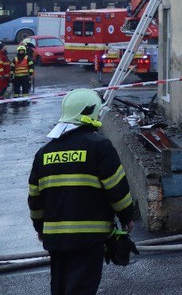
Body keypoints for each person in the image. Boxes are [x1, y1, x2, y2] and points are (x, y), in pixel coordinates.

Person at [28, 88, 138, 295]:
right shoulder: (100, 147)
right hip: (88, 238)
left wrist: (40, 228)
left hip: (55, 240)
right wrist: (127, 217)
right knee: (82, 289)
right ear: (91, 113)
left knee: (59, 288)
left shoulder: (44, 153)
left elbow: (35, 198)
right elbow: (117, 189)